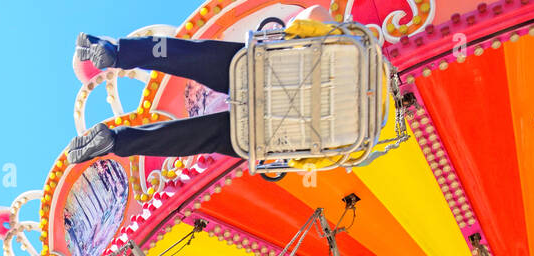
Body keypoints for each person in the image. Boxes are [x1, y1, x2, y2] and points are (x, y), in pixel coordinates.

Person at [68, 6, 340, 165]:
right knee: (195, 137)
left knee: (187, 55)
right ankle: (117, 142)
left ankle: (117, 52)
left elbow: (312, 18)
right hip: (287, 129)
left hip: (270, 77)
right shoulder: (360, 132)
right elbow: (311, 160)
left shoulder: (351, 48)